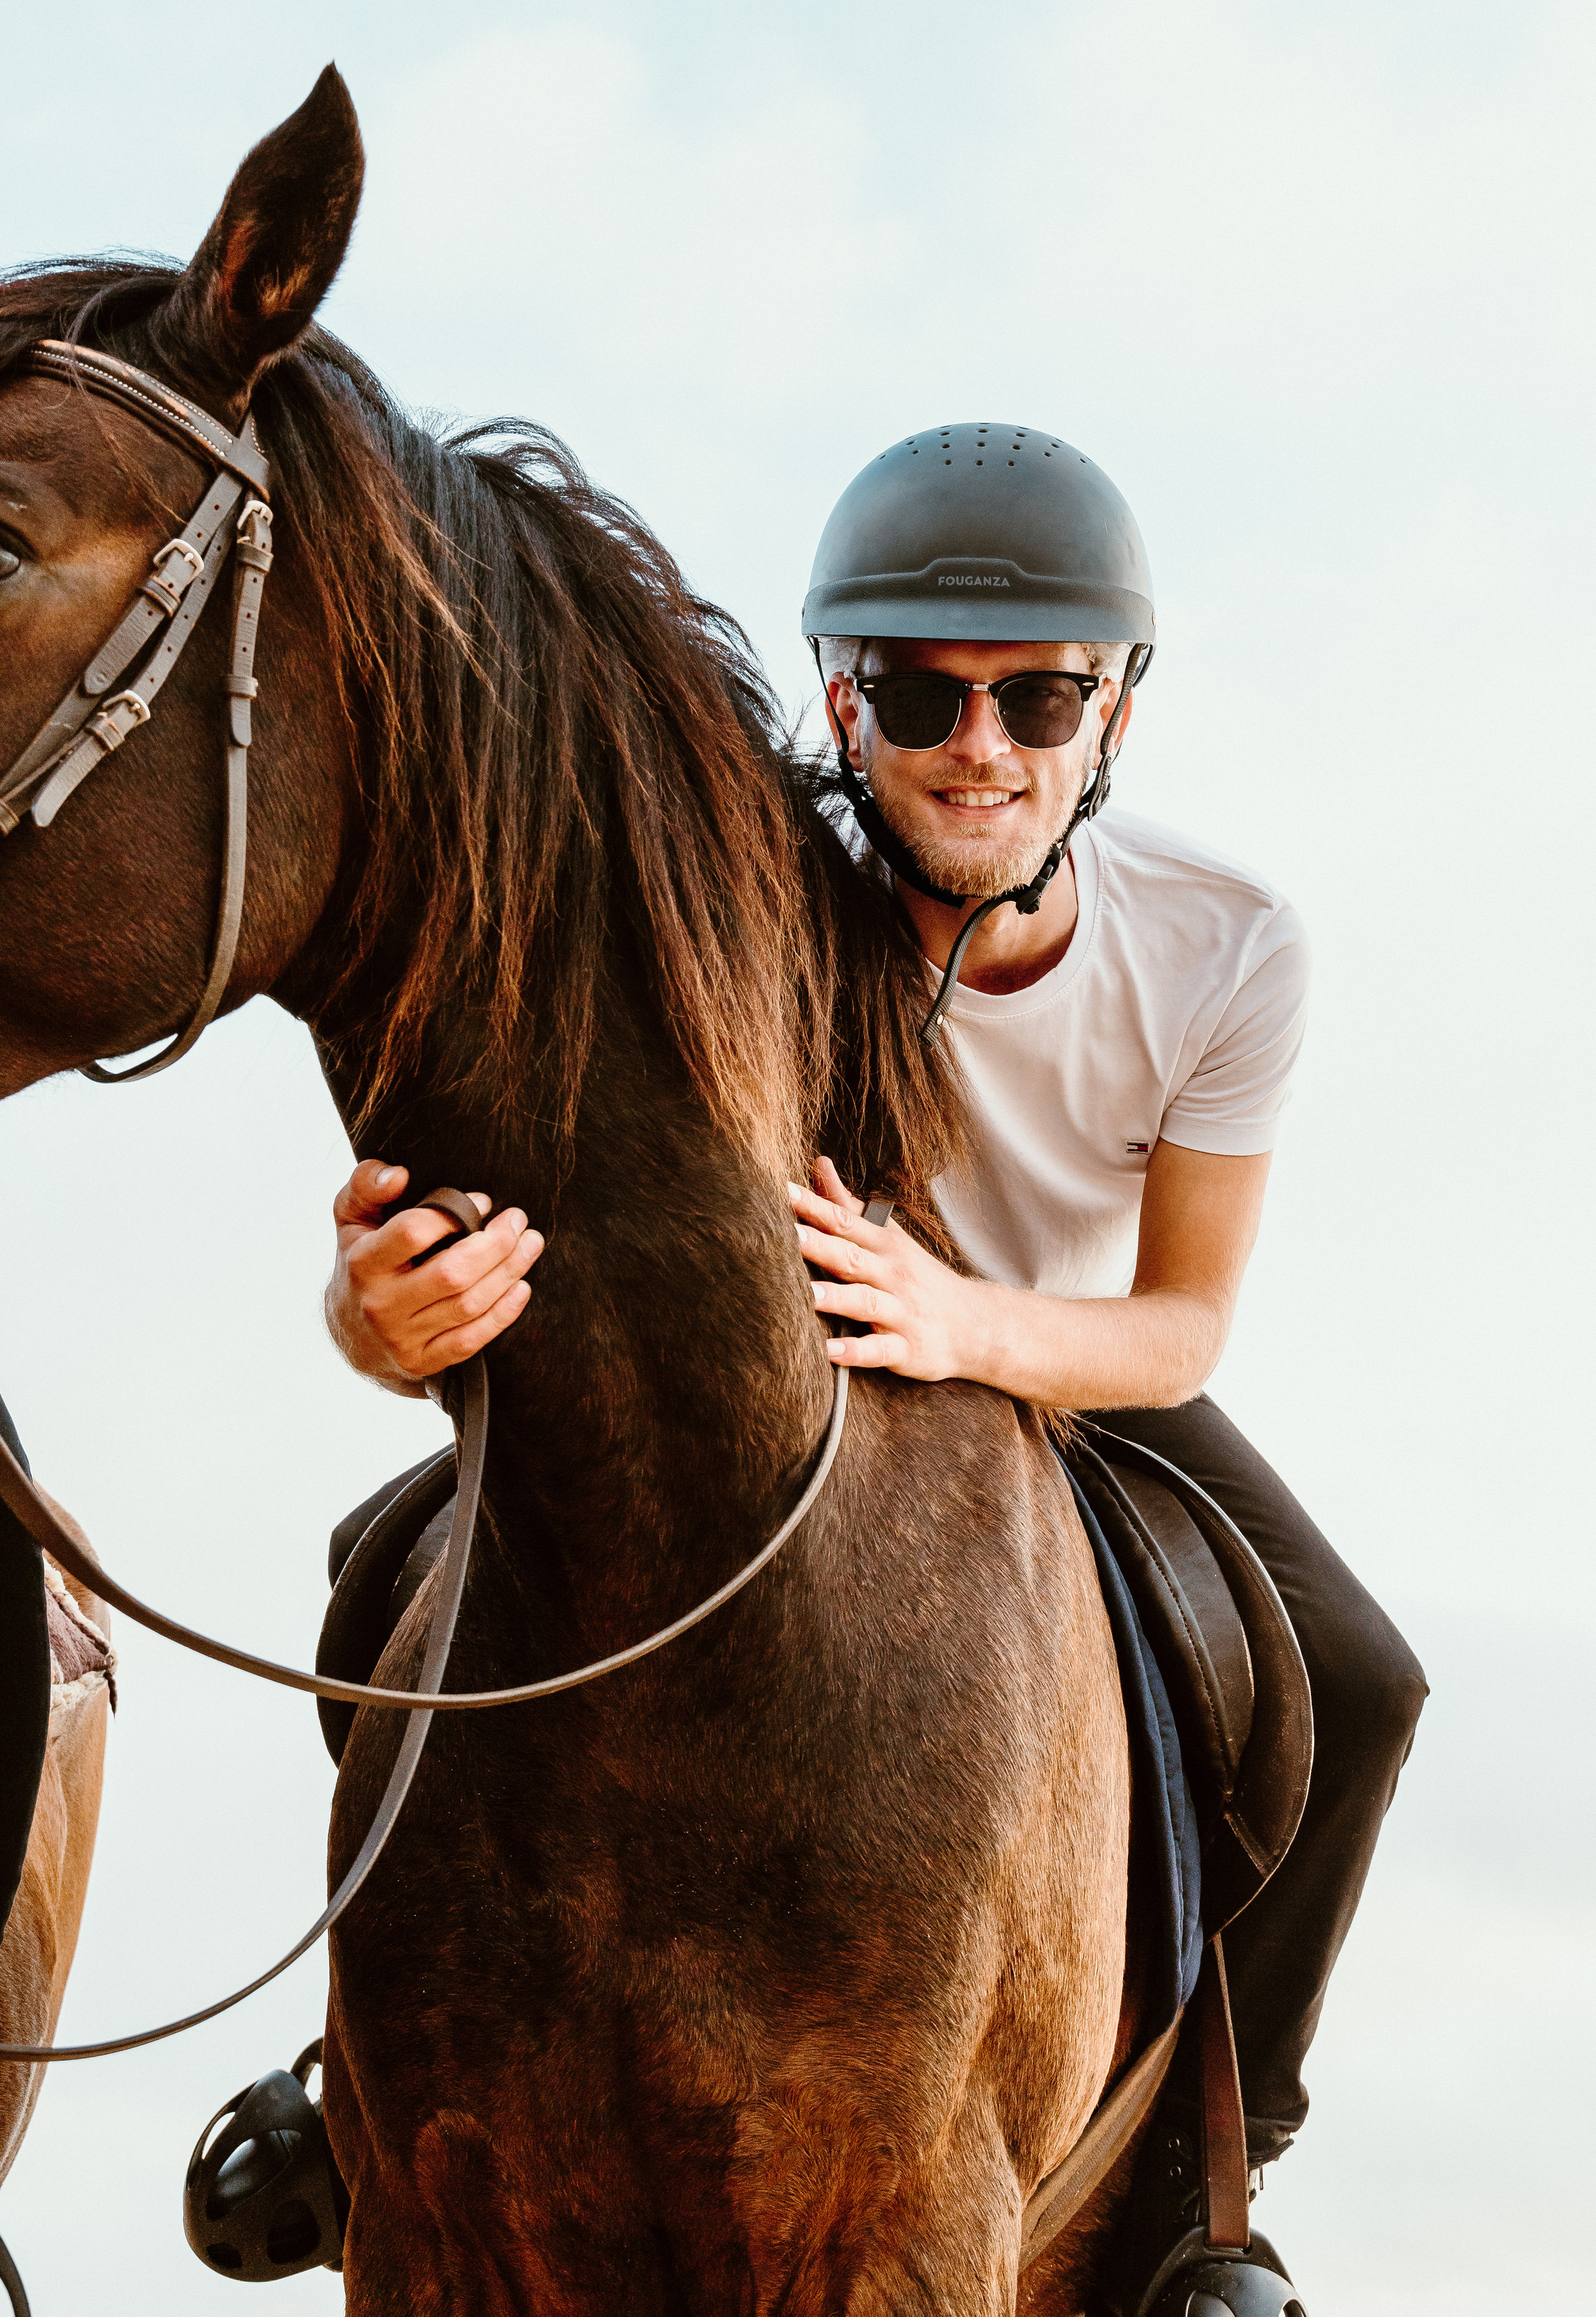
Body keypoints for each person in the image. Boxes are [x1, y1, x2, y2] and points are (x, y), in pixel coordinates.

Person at [326, 422, 1426, 2313]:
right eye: (919, 696)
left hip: (1065, 1368)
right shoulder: (730, 861)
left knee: (1361, 1680)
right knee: (378, 1572)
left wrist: (969, 1326)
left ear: (1115, 716)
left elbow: (1184, 1326)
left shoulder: (1230, 947)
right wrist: (369, 1317)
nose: (979, 744)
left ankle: (1203, 2182)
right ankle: (350, 2070)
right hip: (774, 1351)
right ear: (843, 699)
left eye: (1038, 696)